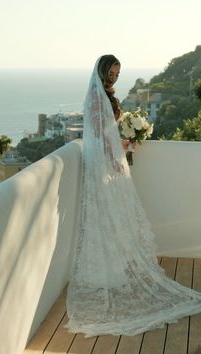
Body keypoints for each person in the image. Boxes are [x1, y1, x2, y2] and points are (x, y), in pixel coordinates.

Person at [65, 55, 201, 338]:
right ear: (101, 71)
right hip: (103, 163)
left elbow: (108, 132)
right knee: (105, 214)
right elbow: (99, 136)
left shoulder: (108, 96)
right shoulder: (95, 98)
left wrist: (123, 141)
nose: (114, 77)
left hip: (110, 160)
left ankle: (115, 266)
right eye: (111, 72)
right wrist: (115, 154)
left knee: (114, 215)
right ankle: (105, 270)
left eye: (117, 72)